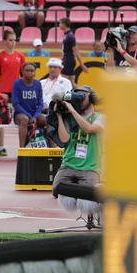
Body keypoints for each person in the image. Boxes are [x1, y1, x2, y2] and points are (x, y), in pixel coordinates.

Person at [52, 85, 104, 217]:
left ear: (91, 97)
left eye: (82, 95)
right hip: (69, 164)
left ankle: (96, 219)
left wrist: (73, 112)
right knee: (56, 190)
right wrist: (59, 116)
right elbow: (64, 139)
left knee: (90, 199)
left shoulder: (101, 117)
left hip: (89, 166)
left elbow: (89, 129)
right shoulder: (69, 118)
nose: (79, 98)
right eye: (76, 94)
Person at [12, 63, 47, 147]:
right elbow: (15, 104)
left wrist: (35, 116)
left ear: (34, 73)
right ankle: (22, 149)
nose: (29, 73)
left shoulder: (38, 84)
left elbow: (40, 103)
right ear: (22, 72)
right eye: (27, 71)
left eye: (31, 71)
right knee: (25, 119)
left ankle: (52, 149)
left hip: (34, 114)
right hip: (20, 114)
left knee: (47, 119)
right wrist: (29, 116)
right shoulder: (17, 83)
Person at [0, 30, 25, 101]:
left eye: (14, 40)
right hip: (4, 89)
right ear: (4, 41)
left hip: (16, 88)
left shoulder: (20, 56)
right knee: (4, 110)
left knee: (17, 110)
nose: (13, 42)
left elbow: (23, 75)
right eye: (10, 40)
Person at [59, 18, 88, 88]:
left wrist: (82, 64)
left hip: (69, 62)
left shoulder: (70, 37)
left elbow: (76, 51)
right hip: (68, 60)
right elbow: (66, 50)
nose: (59, 25)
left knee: (63, 83)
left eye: (60, 23)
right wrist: (62, 58)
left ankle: (87, 94)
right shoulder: (67, 35)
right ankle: (87, 94)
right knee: (72, 84)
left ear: (64, 24)